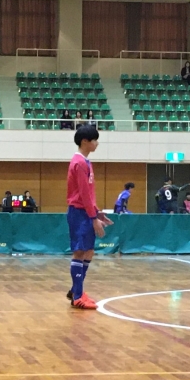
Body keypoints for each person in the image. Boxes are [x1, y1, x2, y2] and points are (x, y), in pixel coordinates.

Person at [65, 124, 113, 310]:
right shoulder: (79, 163)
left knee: (89, 251)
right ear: (85, 141)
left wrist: (97, 212)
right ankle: (77, 296)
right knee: (79, 251)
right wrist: (93, 218)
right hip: (79, 213)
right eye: (95, 140)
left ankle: (76, 290)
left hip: (86, 211)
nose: (97, 143)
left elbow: (89, 194)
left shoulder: (86, 162)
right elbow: (83, 194)